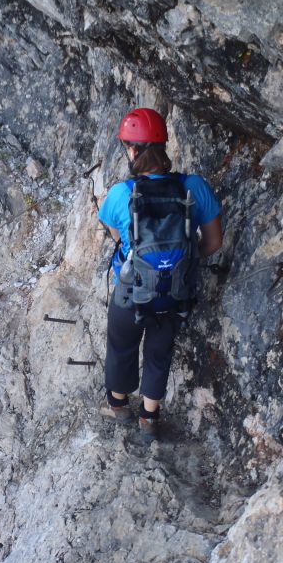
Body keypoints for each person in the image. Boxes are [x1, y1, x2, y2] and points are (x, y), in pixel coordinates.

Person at [97, 107, 223, 440]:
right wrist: (182, 262)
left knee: (121, 344)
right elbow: (213, 241)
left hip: (131, 289)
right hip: (174, 290)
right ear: (164, 146)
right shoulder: (194, 186)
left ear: (133, 150)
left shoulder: (121, 194)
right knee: (159, 351)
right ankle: (149, 419)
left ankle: (118, 405)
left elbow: (117, 236)